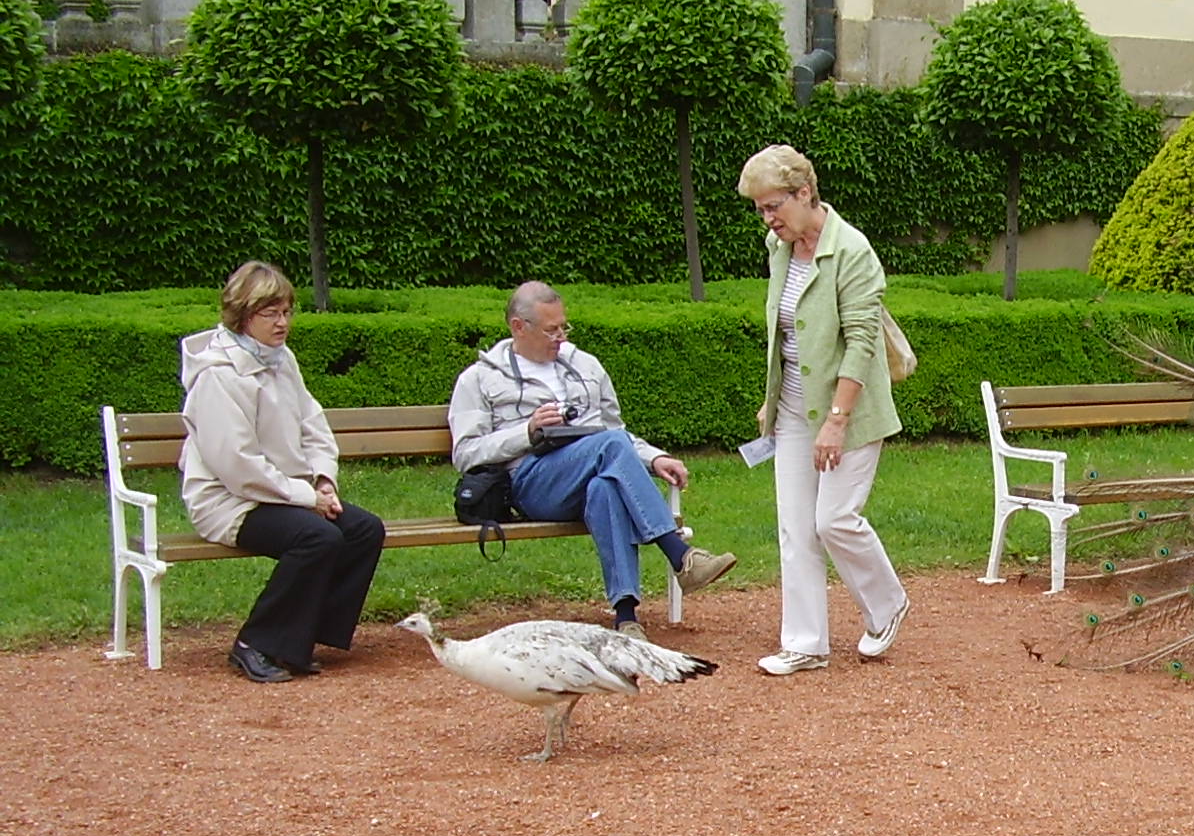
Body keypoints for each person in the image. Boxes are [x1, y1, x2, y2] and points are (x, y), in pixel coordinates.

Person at [449, 282, 735, 638]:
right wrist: (528, 431)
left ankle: (626, 618)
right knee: (609, 448)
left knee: (605, 488)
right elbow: (466, 453)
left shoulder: (585, 365)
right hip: (531, 482)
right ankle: (680, 554)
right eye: (551, 330)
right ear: (518, 327)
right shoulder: (480, 378)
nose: (561, 337)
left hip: (591, 470)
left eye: (564, 327)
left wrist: (654, 458)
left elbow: (615, 431)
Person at [737, 144, 909, 675]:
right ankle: (805, 644)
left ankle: (887, 604)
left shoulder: (852, 250)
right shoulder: (779, 246)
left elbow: (861, 342)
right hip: (793, 409)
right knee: (795, 527)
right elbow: (787, 332)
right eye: (761, 210)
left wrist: (836, 421)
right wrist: (772, 399)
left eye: (774, 206)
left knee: (834, 520)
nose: (768, 219)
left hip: (849, 411)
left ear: (805, 192)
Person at [179, 261, 387, 683]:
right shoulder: (218, 375)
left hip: (286, 493)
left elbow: (313, 425)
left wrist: (324, 480)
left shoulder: (281, 358)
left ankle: (300, 638)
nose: (283, 323)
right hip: (229, 502)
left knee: (364, 529)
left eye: (287, 311)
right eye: (270, 313)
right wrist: (308, 498)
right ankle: (255, 643)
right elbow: (237, 466)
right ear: (242, 315)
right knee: (317, 537)